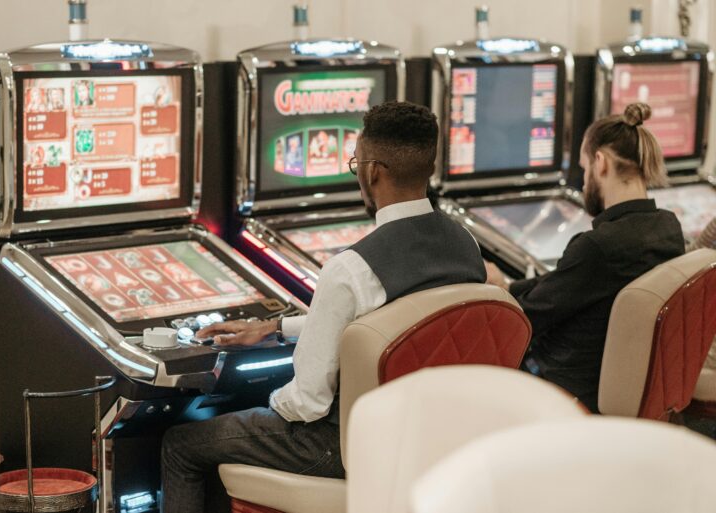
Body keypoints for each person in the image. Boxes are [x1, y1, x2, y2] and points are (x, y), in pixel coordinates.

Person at [161, 101, 486, 513]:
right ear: (431, 166)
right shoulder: (465, 245)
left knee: (181, 444)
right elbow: (393, 322)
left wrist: (257, 398)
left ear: (372, 171)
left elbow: (307, 404)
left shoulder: (352, 268)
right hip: (433, 436)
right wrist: (278, 328)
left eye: (355, 164)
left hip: (344, 448)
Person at [486, 102, 685, 412]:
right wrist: (508, 286)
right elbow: (565, 282)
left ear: (601, 163)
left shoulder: (598, 246)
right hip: (621, 381)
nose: (583, 182)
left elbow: (524, 318)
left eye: (584, 168)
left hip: (563, 386)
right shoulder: (668, 227)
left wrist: (490, 295)